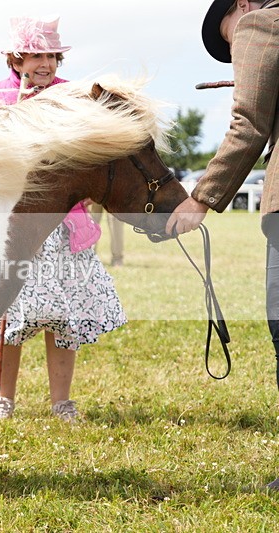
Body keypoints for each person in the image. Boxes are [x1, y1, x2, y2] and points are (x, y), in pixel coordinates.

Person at [0, 16, 126, 422]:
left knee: (63, 313)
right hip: (13, 227)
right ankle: (2, 399)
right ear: (18, 57)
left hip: (64, 224)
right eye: (36, 54)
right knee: (10, 314)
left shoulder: (74, 96)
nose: (45, 63)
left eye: (51, 55)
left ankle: (62, 400)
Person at [165, 0, 279, 489]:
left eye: (229, 40)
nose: (236, 50)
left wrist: (202, 198)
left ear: (241, 5)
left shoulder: (260, 22)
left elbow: (249, 121)